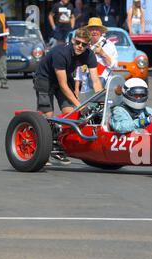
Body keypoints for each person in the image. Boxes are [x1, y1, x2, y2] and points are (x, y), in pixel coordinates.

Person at [34, 27, 103, 164]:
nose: (79, 46)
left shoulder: (89, 55)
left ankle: (58, 147)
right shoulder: (61, 53)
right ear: (73, 40)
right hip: (45, 78)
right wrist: (80, 105)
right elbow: (63, 85)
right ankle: (43, 150)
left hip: (64, 76)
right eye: (77, 42)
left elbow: (96, 81)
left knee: (71, 114)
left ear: (88, 45)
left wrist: (103, 101)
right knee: (47, 116)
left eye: (83, 45)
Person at [74, 17, 118, 97]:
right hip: (85, 88)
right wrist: (76, 89)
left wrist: (102, 53)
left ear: (101, 31)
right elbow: (79, 69)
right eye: (91, 29)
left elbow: (114, 65)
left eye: (96, 29)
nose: (94, 31)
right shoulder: (84, 45)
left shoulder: (108, 45)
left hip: (103, 88)